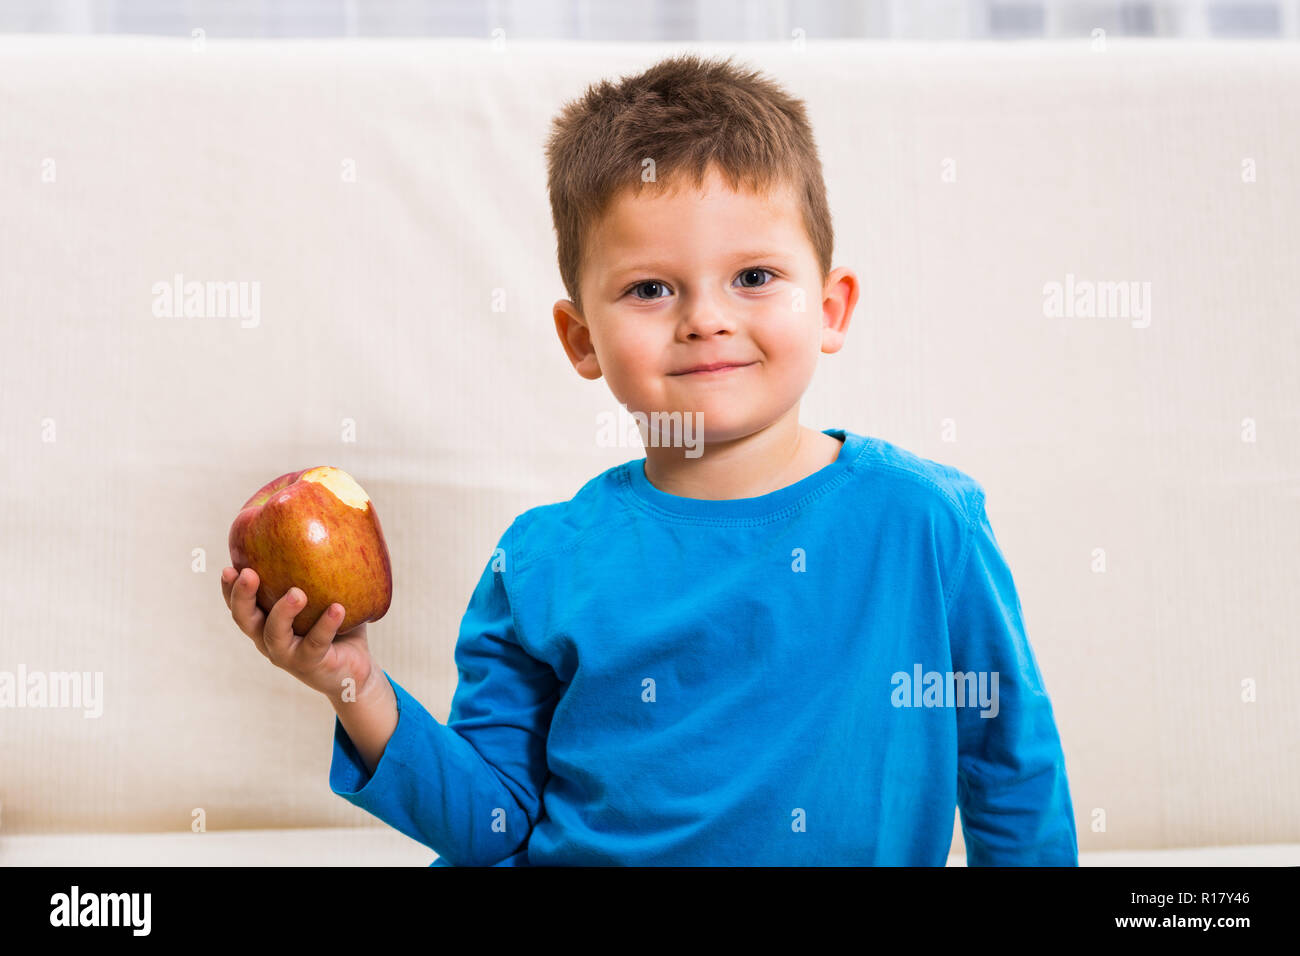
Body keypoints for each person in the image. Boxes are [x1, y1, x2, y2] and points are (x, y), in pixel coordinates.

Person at [221, 53, 1078, 866]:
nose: (704, 318)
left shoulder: (924, 523)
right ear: (581, 339)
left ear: (830, 307)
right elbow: (489, 825)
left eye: (753, 276)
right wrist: (353, 685)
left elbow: (1010, 764)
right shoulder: (542, 559)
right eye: (650, 289)